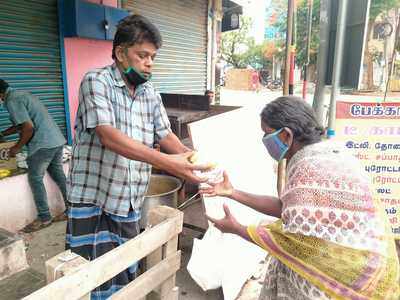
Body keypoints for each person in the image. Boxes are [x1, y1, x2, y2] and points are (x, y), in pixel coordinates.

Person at [201, 96, 400, 299]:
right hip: (371, 262)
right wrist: (232, 192)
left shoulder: (309, 169)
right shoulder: (328, 152)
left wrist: (236, 228)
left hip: (350, 277)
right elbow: (287, 208)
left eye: (266, 134)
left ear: (286, 135)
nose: (264, 141)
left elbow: (290, 242)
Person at [67, 14, 208, 299]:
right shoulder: (96, 82)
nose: (149, 63)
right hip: (93, 196)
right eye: (142, 55)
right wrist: (169, 163)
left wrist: (192, 161)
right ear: (120, 53)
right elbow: (108, 136)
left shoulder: (149, 93)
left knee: (124, 265)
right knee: (85, 271)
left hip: (128, 198)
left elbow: (165, 134)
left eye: (153, 56)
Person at [0, 79, 68, 232]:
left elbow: (28, 128)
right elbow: (22, 124)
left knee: (35, 178)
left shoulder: (11, 100)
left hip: (42, 144)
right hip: (56, 140)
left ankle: (44, 218)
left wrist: (17, 147)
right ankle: (71, 209)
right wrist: (4, 133)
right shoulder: (21, 94)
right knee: (59, 175)